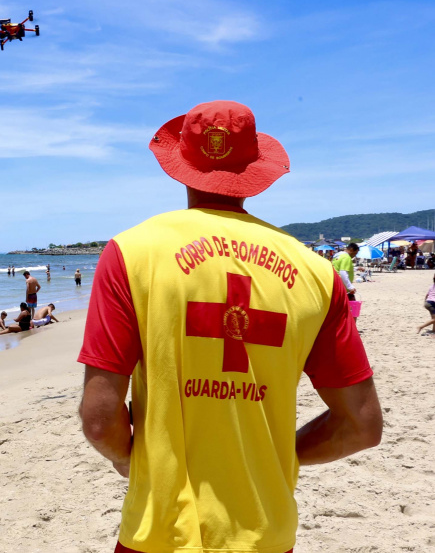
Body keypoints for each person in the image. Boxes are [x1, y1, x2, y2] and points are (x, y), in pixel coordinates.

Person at [77, 101, 382, 553]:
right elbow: (362, 425)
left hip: (160, 532)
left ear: (181, 168)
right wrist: (275, 457)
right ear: (253, 171)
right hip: (266, 533)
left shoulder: (132, 252)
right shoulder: (315, 271)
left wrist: (129, 460)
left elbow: (100, 421)